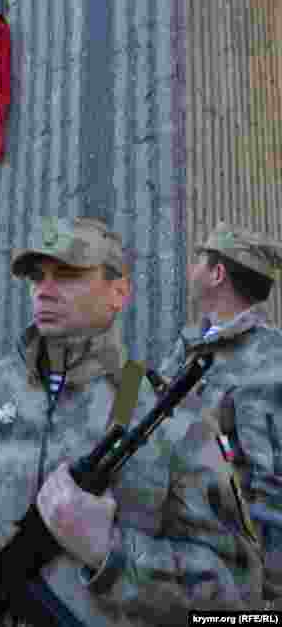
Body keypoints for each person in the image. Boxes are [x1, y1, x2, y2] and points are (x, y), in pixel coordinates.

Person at [0, 217, 261, 626]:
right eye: (37, 276)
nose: (45, 288)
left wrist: (110, 552)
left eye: (68, 273)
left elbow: (237, 593)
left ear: (120, 291)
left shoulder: (170, 416)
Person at [154, 221, 282, 608]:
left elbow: (271, 491)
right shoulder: (190, 342)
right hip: (175, 557)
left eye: (200, 260)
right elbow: (145, 405)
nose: (192, 269)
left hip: (237, 580)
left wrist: (266, 598)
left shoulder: (272, 360)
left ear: (217, 273)